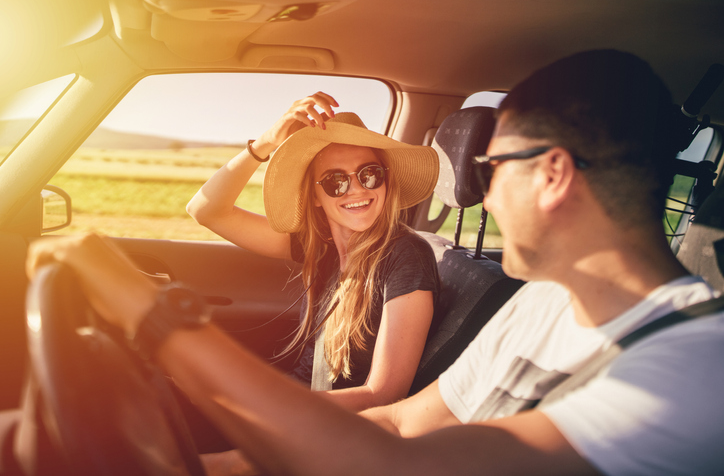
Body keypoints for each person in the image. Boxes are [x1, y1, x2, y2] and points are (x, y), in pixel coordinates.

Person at [26, 49, 724, 475]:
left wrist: (153, 317)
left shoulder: (694, 373)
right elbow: (399, 424)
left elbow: (390, 457)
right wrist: (220, 464)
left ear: (551, 174)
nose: (475, 194)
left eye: (487, 172)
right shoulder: (542, 303)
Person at [186, 92, 441, 410]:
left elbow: (384, 394)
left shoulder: (406, 256)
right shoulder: (321, 246)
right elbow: (205, 211)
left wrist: (268, 407)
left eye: (370, 174)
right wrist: (264, 143)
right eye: (336, 181)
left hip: (311, 421)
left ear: (386, 182)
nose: (358, 189)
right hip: (291, 399)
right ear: (316, 195)